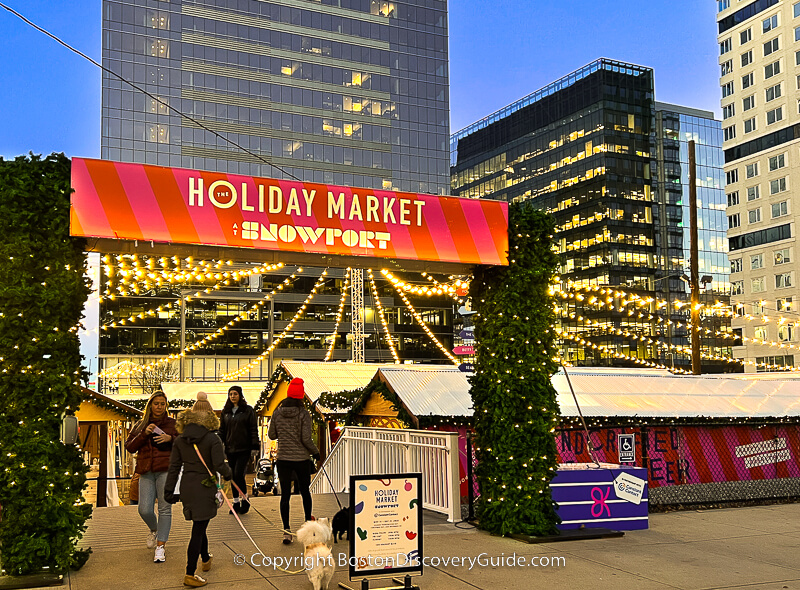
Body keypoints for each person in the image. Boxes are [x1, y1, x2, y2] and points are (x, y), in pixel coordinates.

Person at [165, 392, 232, 588]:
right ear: (210, 417)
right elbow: (219, 465)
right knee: (198, 529)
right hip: (205, 486)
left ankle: (205, 558)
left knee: (200, 524)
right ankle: (189, 573)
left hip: (187, 486)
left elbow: (174, 467)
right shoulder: (212, 439)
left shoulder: (179, 440)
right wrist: (229, 474)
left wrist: (169, 491)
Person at [125, 390, 178, 563]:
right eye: (156, 403)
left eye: (163, 404)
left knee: (165, 509)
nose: (159, 407)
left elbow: (185, 442)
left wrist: (170, 438)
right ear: (150, 405)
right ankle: (154, 530)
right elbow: (130, 447)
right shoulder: (141, 424)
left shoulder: (172, 424)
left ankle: (160, 547)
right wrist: (144, 434)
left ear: (166, 406)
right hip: (146, 471)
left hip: (166, 470)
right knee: (144, 509)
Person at [268, 378, 320, 544]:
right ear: (301, 395)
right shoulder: (303, 413)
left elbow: (272, 435)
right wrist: (316, 452)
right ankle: (308, 528)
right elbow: (306, 438)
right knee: (305, 492)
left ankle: (286, 531)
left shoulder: (277, 413)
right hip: (301, 459)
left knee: (285, 496)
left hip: (283, 459)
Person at [219, 385, 260, 514]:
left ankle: (245, 499)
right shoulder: (226, 412)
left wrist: (254, 446)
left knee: (238, 474)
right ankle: (235, 502)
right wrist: (218, 443)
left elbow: (253, 429)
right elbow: (222, 430)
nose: (232, 396)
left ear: (240, 395)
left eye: (235, 394)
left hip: (244, 448)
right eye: (230, 394)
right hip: (230, 449)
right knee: (232, 475)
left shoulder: (247, 410)